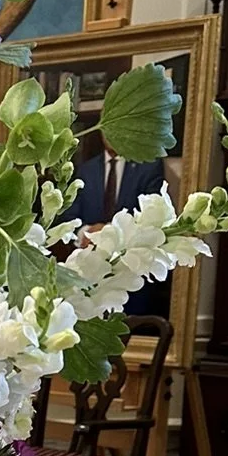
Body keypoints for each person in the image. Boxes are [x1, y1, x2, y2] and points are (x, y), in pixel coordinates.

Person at [67, 135, 172, 319]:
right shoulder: (86, 170)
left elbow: (150, 216)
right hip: (89, 267)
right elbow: (68, 217)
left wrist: (108, 231)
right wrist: (85, 233)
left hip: (130, 268)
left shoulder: (148, 166)